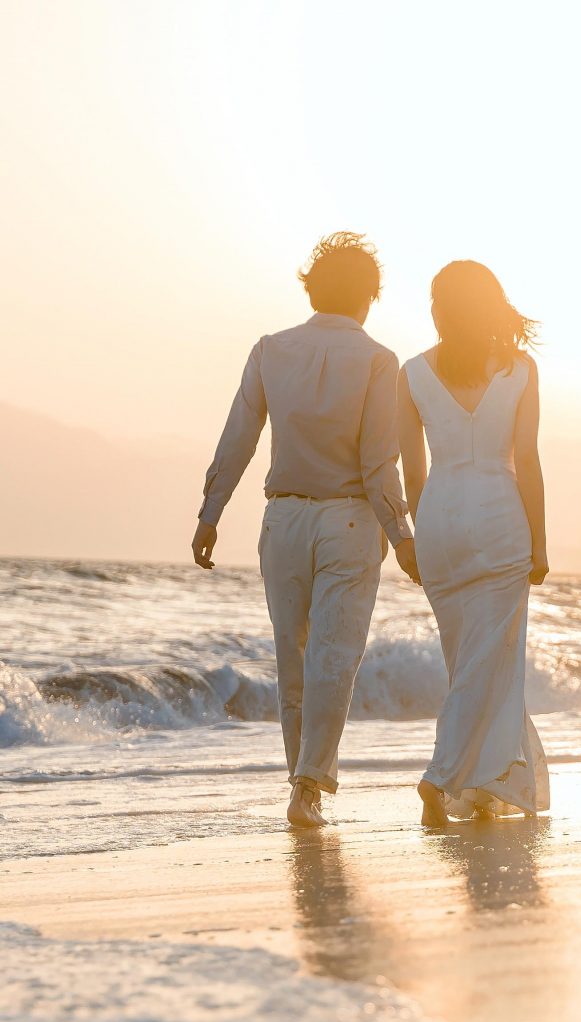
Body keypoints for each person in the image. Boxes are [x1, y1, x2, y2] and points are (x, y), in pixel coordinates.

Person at [194, 232, 420, 829]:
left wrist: (210, 513)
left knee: (291, 659)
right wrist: (402, 536)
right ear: (370, 296)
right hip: (351, 519)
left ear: (312, 288)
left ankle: (302, 784)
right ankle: (308, 787)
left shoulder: (271, 349)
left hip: (284, 518)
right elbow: (379, 464)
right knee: (333, 660)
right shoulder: (378, 361)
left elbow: (238, 437)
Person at [399, 260, 551, 825]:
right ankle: (441, 777)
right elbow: (528, 461)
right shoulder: (518, 369)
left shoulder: (411, 372)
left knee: (466, 660)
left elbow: (411, 473)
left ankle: (485, 784)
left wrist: (416, 533)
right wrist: (540, 542)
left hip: (439, 519)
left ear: (440, 307)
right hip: (499, 518)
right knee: (489, 662)